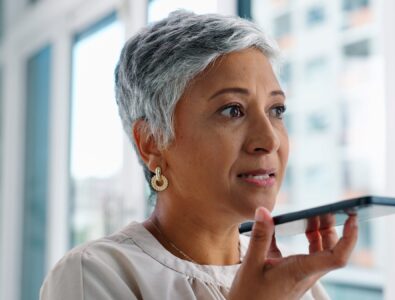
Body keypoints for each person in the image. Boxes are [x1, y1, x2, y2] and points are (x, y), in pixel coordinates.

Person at [40, 10, 358, 300]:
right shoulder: (94, 274)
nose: (269, 139)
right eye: (232, 110)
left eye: (276, 109)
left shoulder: (297, 283)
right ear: (152, 142)